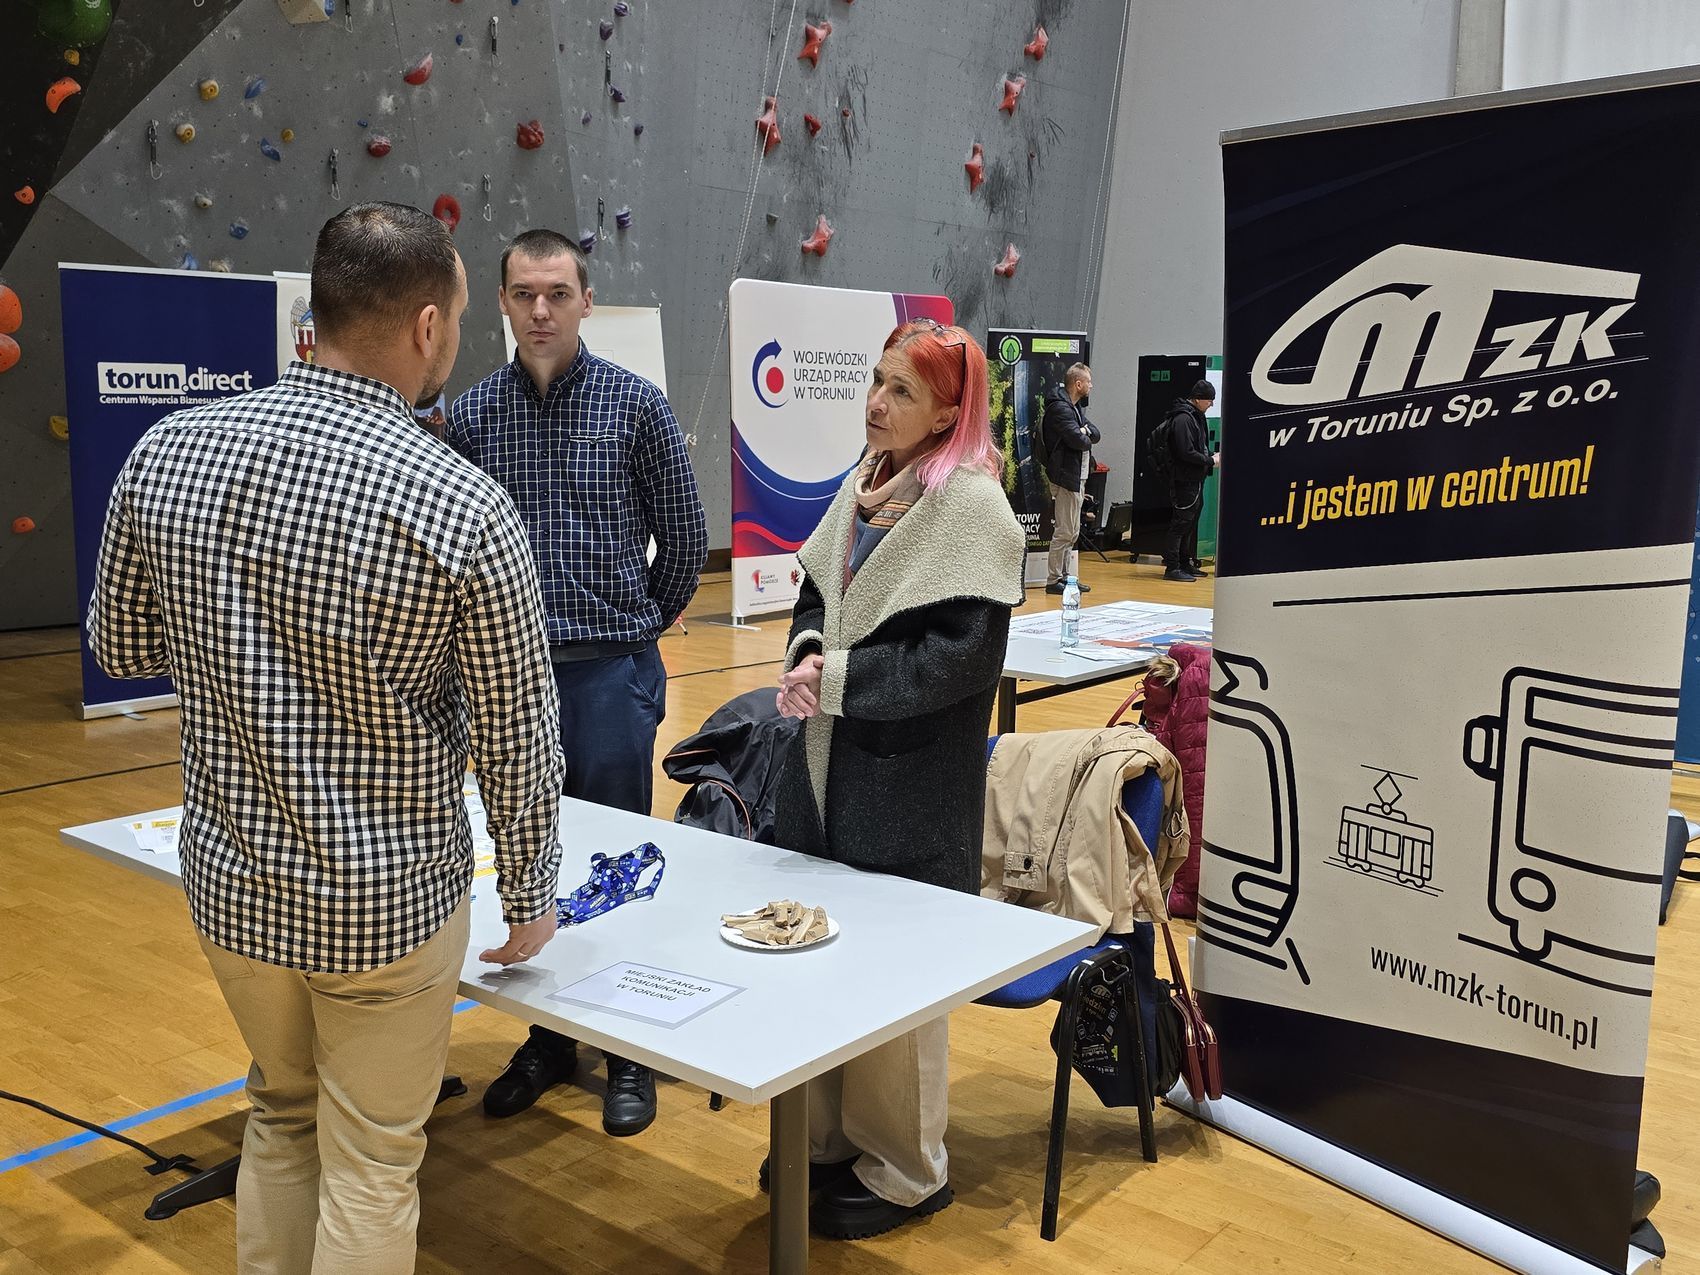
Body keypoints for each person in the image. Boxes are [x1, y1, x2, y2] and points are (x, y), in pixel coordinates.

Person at [86, 202, 566, 1274]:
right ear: (429, 325)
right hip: (385, 902)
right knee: (374, 1161)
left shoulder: (169, 450)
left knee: (281, 1114)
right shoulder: (464, 508)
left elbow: (120, 647)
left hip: (234, 887)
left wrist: (241, 649)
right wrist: (532, 889)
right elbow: (516, 735)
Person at [448, 228, 708, 1136]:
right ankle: (550, 1037)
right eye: (524, 293)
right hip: (513, 680)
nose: (541, 309)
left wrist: (637, 626)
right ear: (502, 302)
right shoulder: (473, 416)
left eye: (558, 292)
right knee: (533, 859)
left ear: (587, 301)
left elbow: (684, 538)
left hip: (609, 675)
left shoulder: (636, 406)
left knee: (617, 863)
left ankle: (627, 1041)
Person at [771, 319, 1024, 1240]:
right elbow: (816, 594)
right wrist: (807, 652)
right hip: (829, 774)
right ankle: (824, 1140)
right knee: (826, 963)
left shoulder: (976, 510)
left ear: (950, 411)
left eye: (901, 391)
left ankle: (909, 1170)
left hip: (911, 789)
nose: (876, 402)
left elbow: (956, 664)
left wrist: (835, 679)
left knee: (897, 985)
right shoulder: (865, 482)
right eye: (876, 382)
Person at [1041, 362, 1100, 593]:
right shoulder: (1060, 409)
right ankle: (1053, 580)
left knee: (1073, 531)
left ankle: (1066, 577)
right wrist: (1083, 432)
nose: (1091, 386)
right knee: (1065, 531)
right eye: (1088, 382)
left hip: (1077, 476)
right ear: (1078, 384)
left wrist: (1084, 431)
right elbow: (1080, 441)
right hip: (1066, 476)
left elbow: (1095, 434)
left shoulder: (1074, 408)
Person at [1161, 379, 1219, 582]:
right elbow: (1185, 452)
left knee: (1190, 523)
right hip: (1184, 480)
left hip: (1194, 479)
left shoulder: (1195, 416)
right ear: (1198, 399)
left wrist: (1209, 456)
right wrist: (1210, 460)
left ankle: (1185, 563)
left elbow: (1197, 447)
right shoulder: (1183, 419)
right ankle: (1172, 567)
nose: (1211, 404)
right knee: (1180, 524)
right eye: (1209, 400)